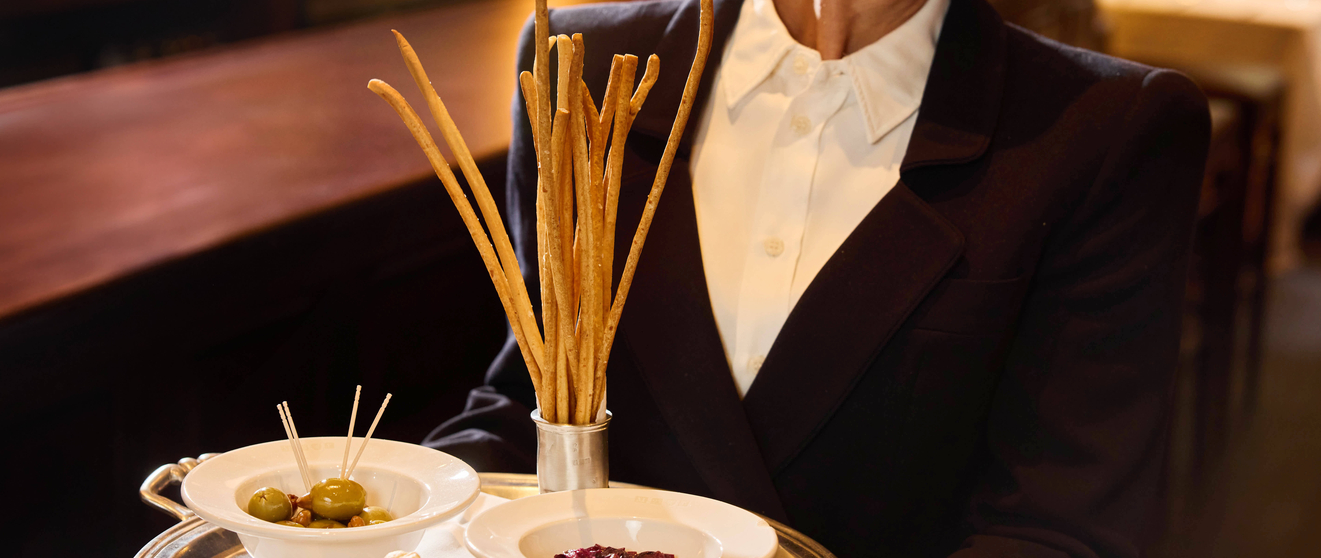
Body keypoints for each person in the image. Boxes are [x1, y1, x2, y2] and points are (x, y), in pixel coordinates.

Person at [426, 0, 1210, 555]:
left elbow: (1060, 525)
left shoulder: (1102, 130)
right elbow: (533, 400)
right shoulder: (579, 61)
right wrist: (411, 518)